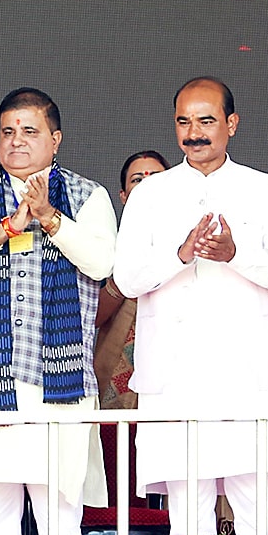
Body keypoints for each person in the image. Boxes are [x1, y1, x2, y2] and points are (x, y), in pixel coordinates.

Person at [114, 78, 268, 535]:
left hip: (248, 378)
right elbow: (128, 278)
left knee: (257, 513)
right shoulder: (150, 194)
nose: (194, 133)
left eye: (206, 121)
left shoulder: (264, 189)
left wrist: (235, 253)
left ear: (231, 124)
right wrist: (179, 254)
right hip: (177, 379)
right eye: (184, 122)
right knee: (189, 522)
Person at [0, 89, 116, 535]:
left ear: (55, 140)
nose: (16, 142)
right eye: (8, 132)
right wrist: (6, 228)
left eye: (29, 132)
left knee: (60, 523)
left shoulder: (86, 195)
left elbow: (101, 264)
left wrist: (51, 219)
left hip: (59, 387)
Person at [94, 151, 166, 411]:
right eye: (137, 179)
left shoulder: (194, 240)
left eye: (156, 177)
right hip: (116, 370)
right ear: (123, 196)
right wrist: (124, 280)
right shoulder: (106, 245)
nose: (147, 185)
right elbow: (90, 317)